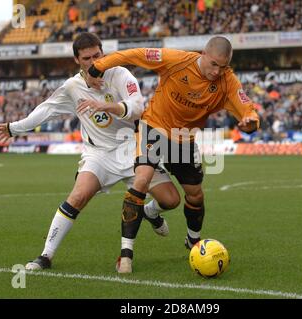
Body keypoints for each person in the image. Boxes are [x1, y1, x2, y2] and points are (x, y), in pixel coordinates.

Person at [0, 33, 180, 272]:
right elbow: (45, 110)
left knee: (171, 200)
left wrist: (106, 105)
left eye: (97, 56)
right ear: (77, 60)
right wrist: (13, 128)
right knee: (78, 197)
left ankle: (150, 211)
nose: (94, 62)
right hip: (98, 154)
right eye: (87, 58)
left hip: (132, 150)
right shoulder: (72, 87)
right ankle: (45, 256)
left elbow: (137, 108)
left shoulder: (121, 74)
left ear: (104, 53)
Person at [85, 36, 260, 272]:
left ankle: (193, 241)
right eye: (214, 64)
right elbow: (134, 54)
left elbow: (246, 109)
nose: (217, 71)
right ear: (203, 54)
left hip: (184, 139)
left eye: (223, 66)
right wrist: (99, 66)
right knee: (141, 180)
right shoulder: (176, 60)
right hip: (154, 127)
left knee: (195, 195)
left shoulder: (228, 81)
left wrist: (251, 122)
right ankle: (126, 255)